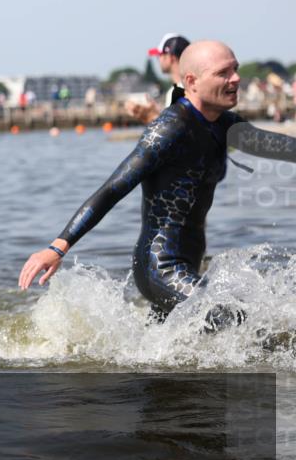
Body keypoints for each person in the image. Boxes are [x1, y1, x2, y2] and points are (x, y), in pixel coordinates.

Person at [19, 41, 296, 330]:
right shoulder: (169, 128)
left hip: (188, 265)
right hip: (160, 267)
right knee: (239, 322)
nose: (236, 78)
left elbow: (280, 146)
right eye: (224, 72)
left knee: (163, 356)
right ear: (192, 81)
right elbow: (113, 188)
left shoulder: (224, 126)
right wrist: (58, 246)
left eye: (236, 69)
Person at [126, 33, 191, 124]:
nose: (158, 59)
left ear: (170, 58)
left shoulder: (177, 91)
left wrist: (151, 116)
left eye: (159, 55)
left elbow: (175, 132)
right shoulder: (193, 87)